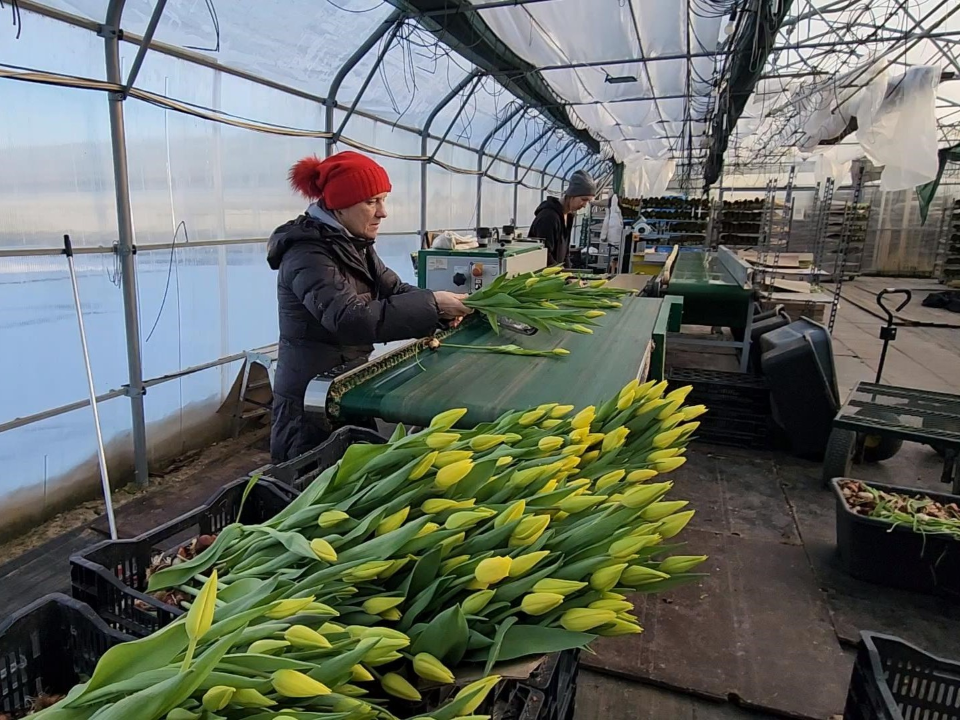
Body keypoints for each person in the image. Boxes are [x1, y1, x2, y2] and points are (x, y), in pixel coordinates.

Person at [267, 150, 471, 463]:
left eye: (383, 200)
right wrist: (431, 304)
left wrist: (443, 308)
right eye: (372, 201)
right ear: (340, 203)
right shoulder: (307, 254)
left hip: (346, 386)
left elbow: (396, 289)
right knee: (311, 493)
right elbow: (350, 319)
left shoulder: (353, 244)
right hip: (309, 405)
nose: (383, 212)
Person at [528, 169, 597, 267]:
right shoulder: (549, 217)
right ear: (572, 195)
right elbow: (544, 255)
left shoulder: (568, 216)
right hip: (543, 276)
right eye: (583, 200)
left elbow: (565, 253)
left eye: (588, 201)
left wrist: (569, 273)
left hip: (556, 274)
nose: (585, 205)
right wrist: (561, 276)